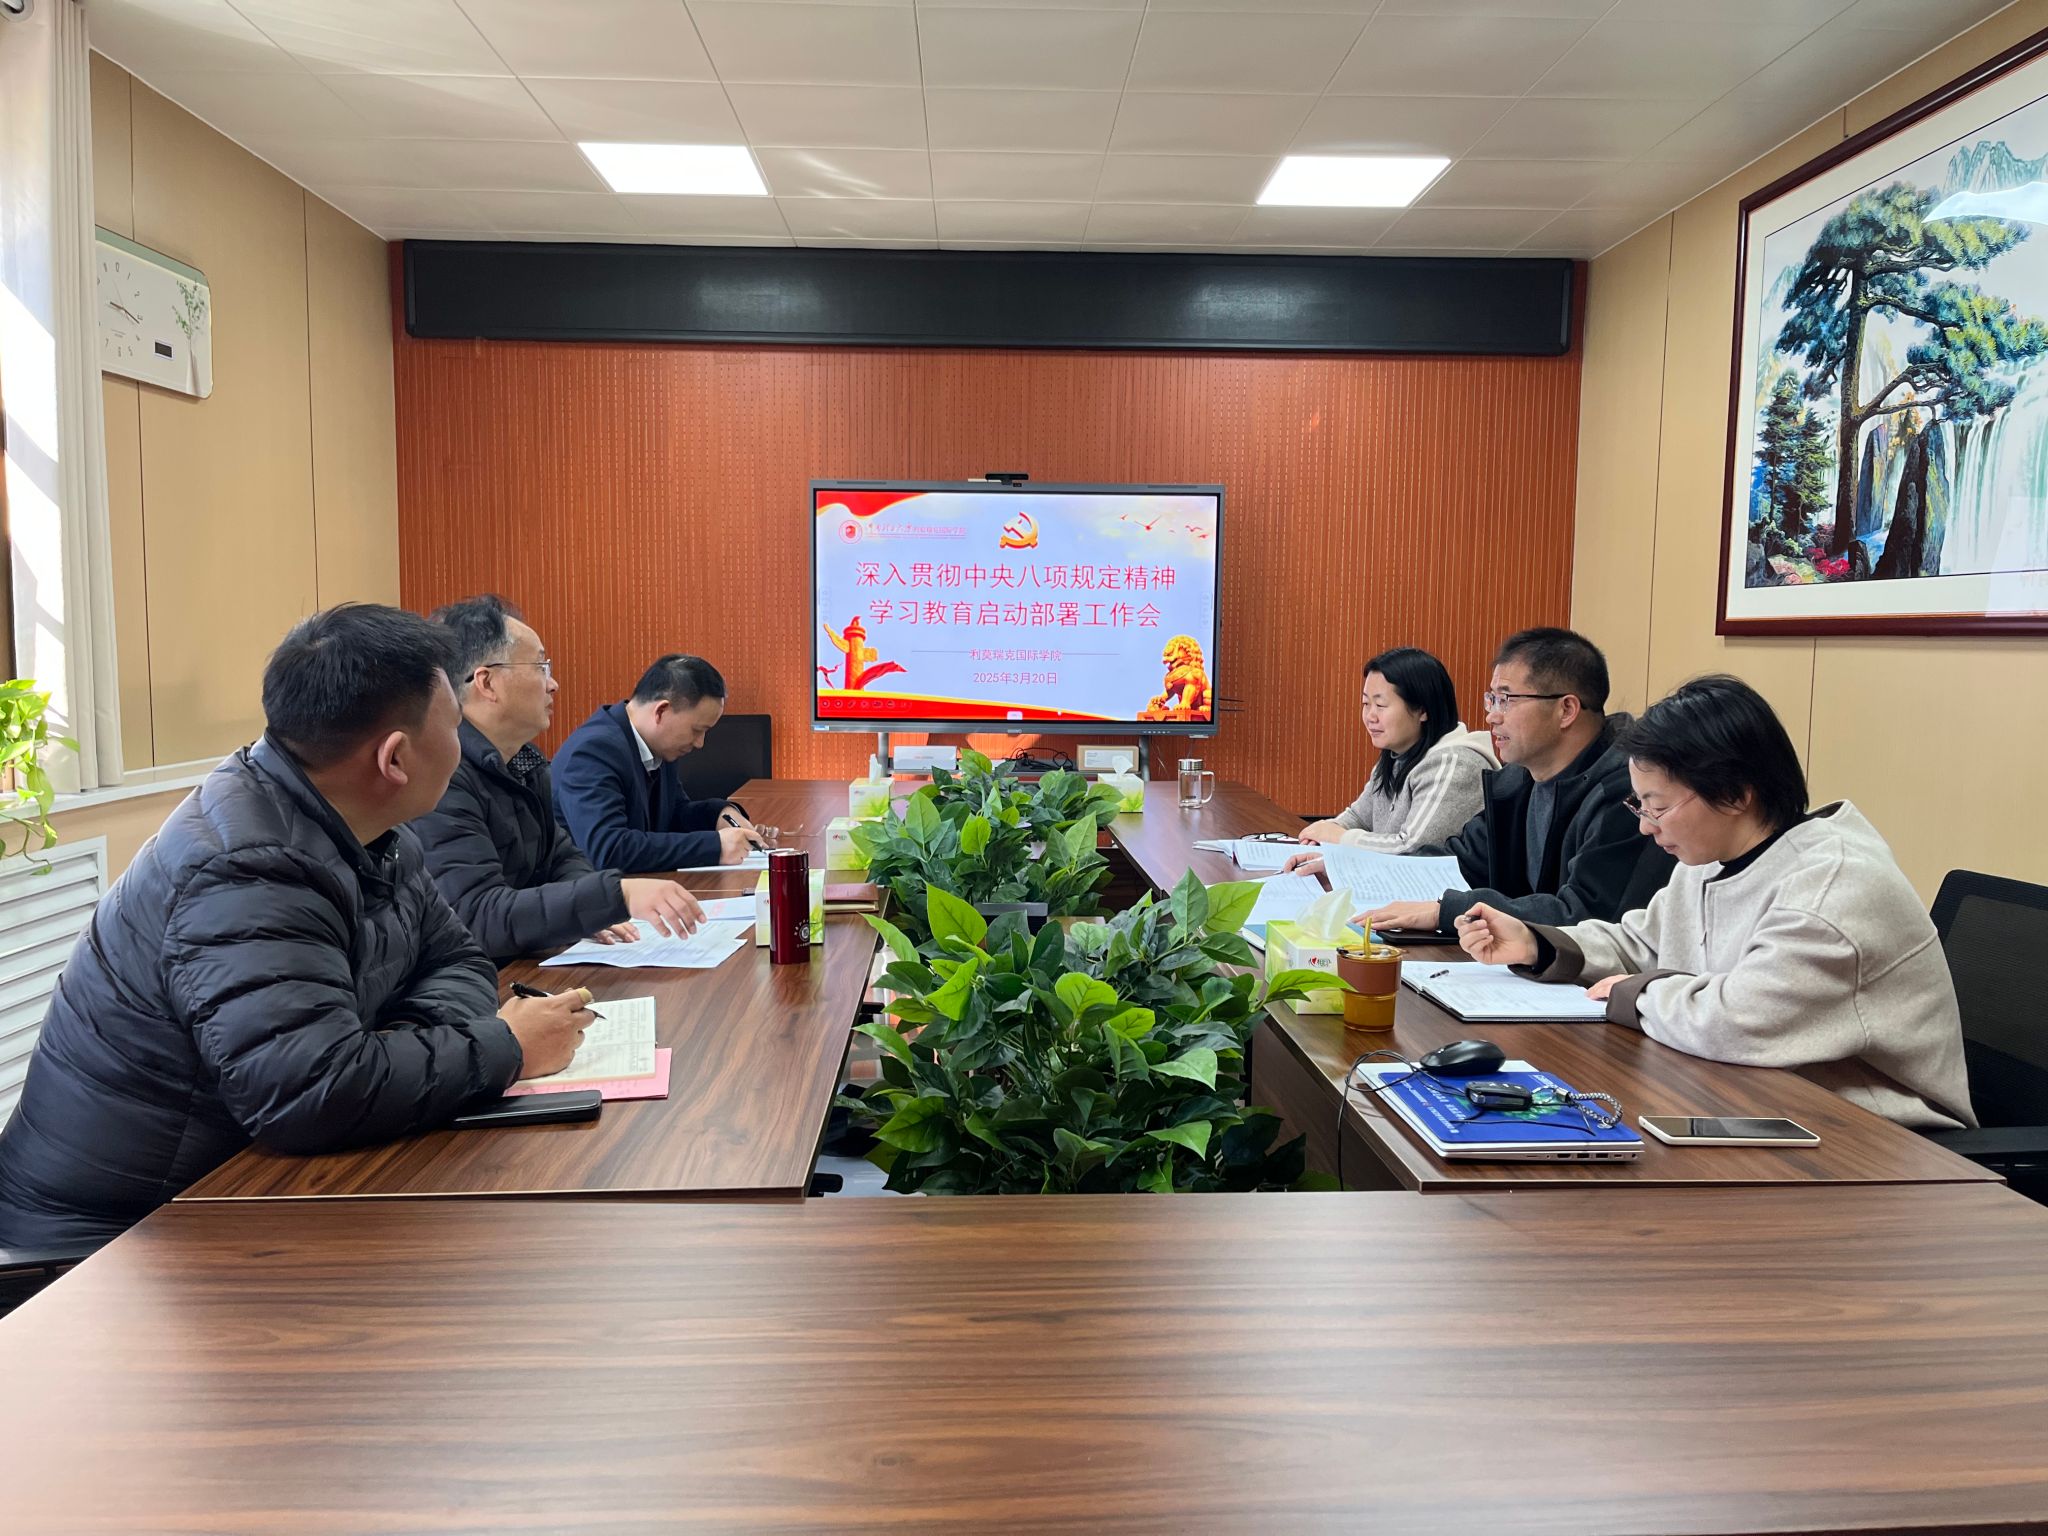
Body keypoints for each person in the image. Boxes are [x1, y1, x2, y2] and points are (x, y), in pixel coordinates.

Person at [0, 605, 595, 1250]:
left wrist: (403, 1045)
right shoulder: (244, 869)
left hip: (234, 1181)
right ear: (395, 758)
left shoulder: (370, 829)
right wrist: (505, 1046)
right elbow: (312, 1091)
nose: (463, 746)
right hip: (110, 1240)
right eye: (454, 725)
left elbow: (458, 959)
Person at [1455, 675, 1974, 1132]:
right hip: (1761, 1100)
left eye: (1657, 805)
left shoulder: (1831, 890)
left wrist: (1635, 993)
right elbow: (1642, 943)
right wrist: (1539, 943)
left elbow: (1737, 1021)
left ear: (1734, 794)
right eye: (1639, 804)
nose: (1645, 826)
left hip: (1880, 1139)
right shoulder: (1712, 858)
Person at [414, 595, 705, 964]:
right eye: (540, 667)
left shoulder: (525, 762)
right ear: (487, 683)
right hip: (481, 979)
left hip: (525, 963)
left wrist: (586, 913)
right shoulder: (443, 777)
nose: (553, 684)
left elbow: (564, 857)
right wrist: (614, 897)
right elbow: (479, 917)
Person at [1357, 627, 1674, 934]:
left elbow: (1584, 917)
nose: (1492, 716)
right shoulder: (1518, 779)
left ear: (1566, 709)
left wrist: (1449, 911)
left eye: (1506, 700)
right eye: (1491, 699)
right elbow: (1461, 861)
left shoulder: (1628, 791)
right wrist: (1366, 875)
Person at [1286, 647, 1494, 864]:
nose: (1370, 716)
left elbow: (1412, 850)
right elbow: (1359, 817)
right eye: (1366, 703)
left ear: (1422, 710)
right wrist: (1322, 835)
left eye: (1380, 705)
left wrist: (1340, 838)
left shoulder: (1454, 764)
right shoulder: (1398, 754)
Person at [553, 654, 761, 872]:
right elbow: (609, 850)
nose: (700, 743)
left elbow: (673, 815)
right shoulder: (594, 751)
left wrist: (718, 814)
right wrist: (715, 847)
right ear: (661, 711)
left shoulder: (656, 744)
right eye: (697, 730)